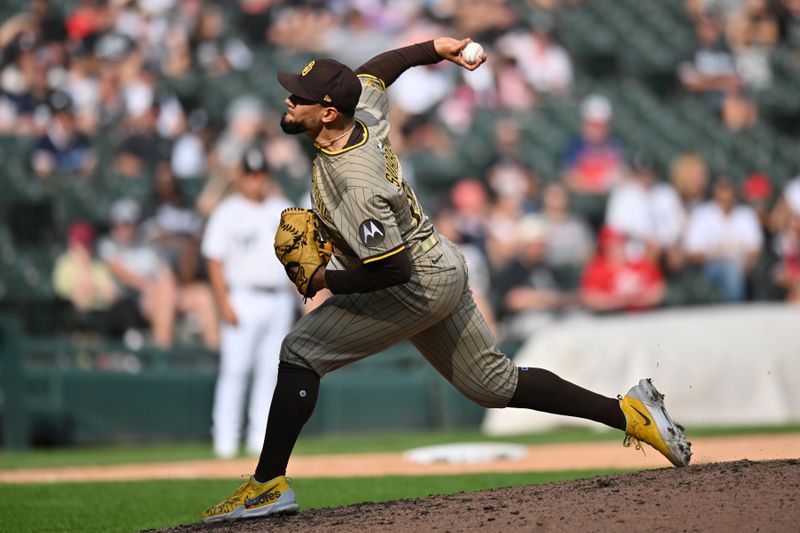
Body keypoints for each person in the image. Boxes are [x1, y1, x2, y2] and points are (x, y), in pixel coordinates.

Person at [201, 37, 691, 523]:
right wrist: (438, 46)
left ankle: (267, 486)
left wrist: (322, 280)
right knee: (494, 386)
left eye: (300, 97)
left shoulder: (357, 182)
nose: (288, 100)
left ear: (328, 113)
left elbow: (393, 270)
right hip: (442, 263)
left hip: (414, 282)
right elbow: (376, 70)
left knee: (301, 351)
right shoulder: (361, 112)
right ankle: (630, 413)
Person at [201, 146, 296, 459]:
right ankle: (225, 441)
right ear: (241, 177)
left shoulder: (283, 208)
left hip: (279, 297)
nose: (257, 180)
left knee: (271, 373)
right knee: (235, 370)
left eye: (262, 174)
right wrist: (223, 302)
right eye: (251, 174)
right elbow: (214, 260)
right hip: (242, 296)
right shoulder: (228, 211)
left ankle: (260, 440)